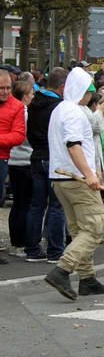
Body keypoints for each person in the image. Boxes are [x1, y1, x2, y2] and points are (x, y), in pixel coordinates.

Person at [44, 67, 104, 300]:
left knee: (80, 229)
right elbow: (73, 145)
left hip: (61, 178)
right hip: (76, 179)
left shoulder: (62, 109)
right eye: (90, 91)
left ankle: (87, 279)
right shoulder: (73, 112)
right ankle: (62, 270)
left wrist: (91, 172)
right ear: (83, 91)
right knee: (94, 228)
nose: (92, 96)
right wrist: (89, 174)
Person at [25, 68, 68, 263]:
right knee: (56, 206)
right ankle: (55, 251)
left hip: (36, 156)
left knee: (36, 206)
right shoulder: (59, 106)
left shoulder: (34, 102)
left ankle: (32, 250)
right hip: (54, 158)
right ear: (62, 86)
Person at [7, 82, 34, 258]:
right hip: (25, 160)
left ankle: (15, 242)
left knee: (17, 203)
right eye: (31, 93)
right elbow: (29, 138)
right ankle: (21, 243)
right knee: (25, 204)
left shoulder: (12, 112)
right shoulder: (25, 114)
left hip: (12, 160)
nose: (33, 96)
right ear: (24, 96)